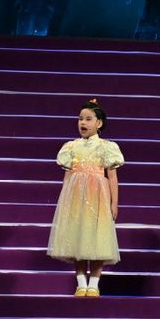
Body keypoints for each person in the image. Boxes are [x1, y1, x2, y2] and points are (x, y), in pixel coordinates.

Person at [46, 99, 124, 297]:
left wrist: (114, 203)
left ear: (99, 123)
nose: (83, 122)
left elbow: (112, 177)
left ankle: (94, 284)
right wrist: (64, 201)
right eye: (80, 118)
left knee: (98, 239)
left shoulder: (107, 147)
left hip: (97, 197)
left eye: (88, 119)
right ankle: (81, 283)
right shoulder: (71, 147)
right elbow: (68, 176)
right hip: (76, 199)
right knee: (77, 238)